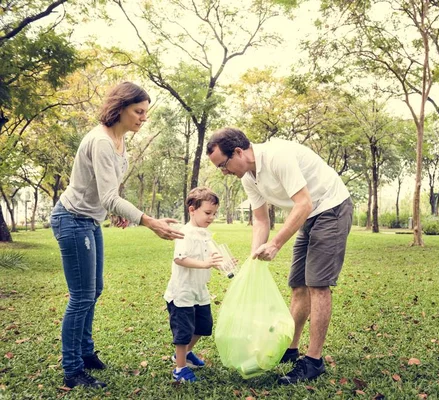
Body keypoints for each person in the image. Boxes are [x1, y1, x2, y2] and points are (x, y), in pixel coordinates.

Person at [50, 82, 184, 389]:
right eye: (139, 111)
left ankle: (85, 353)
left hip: (90, 221)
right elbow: (110, 195)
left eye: (145, 113)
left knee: (93, 290)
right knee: (81, 296)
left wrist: (116, 213)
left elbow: (104, 192)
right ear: (120, 108)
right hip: (72, 220)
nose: (143, 118)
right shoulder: (101, 141)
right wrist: (148, 221)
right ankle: (72, 370)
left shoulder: (119, 140)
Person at [206, 127, 353, 385]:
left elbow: (304, 202)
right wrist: (254, 257)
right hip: (309, 215)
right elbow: (261, 220)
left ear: (239, 152)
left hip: (331, 207)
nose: (224, 172)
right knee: (298, 285)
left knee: (317, 284)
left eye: (223, 165)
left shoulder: (277, 157)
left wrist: (275, 244)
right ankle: (292, 348)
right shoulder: (248, 178)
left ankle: (313, 361)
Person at [164, 187, 224, 383]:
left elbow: (210, 258)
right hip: (182, 293)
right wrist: (205, 263)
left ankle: (185, 354)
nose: (212, 217)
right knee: (183, 332)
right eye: (208, 213)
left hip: (200, 291)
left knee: (204, 326)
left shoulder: (205, 234)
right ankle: (179, 368)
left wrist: (221, 263)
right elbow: (180, 259)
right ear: (192, 209)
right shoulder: (185, 233)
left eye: (214, 213)